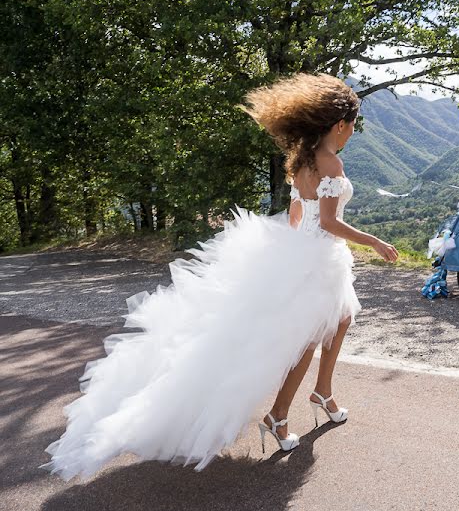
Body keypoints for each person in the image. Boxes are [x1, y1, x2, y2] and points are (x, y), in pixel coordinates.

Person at [42, 73, 398, 481]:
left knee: (339, 320)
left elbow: (298, 214)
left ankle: (322, 393)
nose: (352, 132)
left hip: (306, 253)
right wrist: (373, 241)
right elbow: (332, 222)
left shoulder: (302, 160)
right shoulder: (331, 163)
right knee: (310, 338)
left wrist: (288, 254)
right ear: (340, 124)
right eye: (353, 125)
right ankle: (281, 416)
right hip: (320, 257)